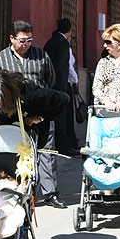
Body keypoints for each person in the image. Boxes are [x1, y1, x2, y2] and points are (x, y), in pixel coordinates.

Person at [0, 20, 66, 209]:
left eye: (29, 40)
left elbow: (51, 81)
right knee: (17, 155)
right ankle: (20, 191)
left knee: (45, 154)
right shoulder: (0, 58)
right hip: (11, 117)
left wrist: (40, 115)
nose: (26, 44)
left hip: (39, 109)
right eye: (22, 40)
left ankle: (50, 194)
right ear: (12, 38)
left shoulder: (41, 56)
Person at [43, 18, 79, 156]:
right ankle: (64, 147)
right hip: (61, 85)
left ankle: (63, 145)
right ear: (69, 30)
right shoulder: (64, 44)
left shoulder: (50, 42)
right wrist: (74, 80)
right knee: (63, 117)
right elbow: (66, 65)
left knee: (56, 117)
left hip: (50, 85)